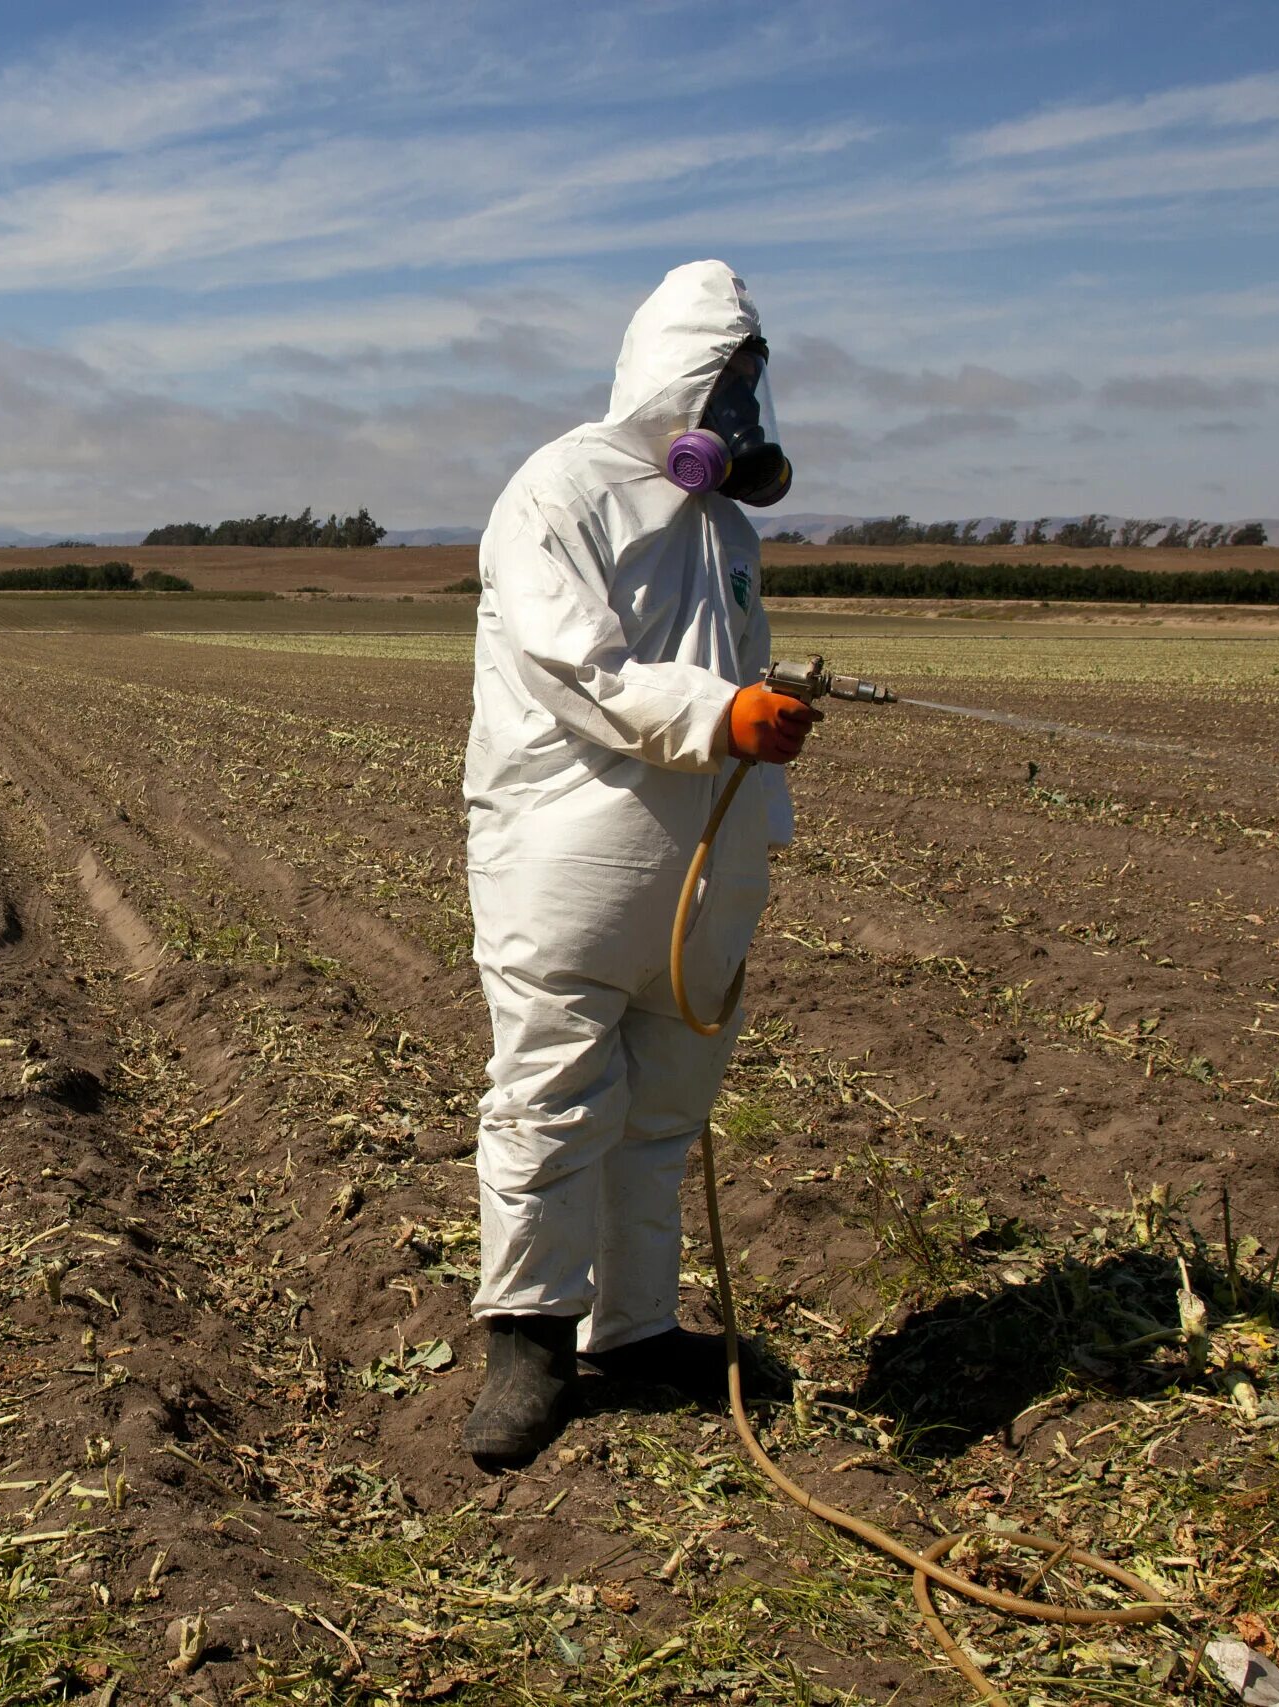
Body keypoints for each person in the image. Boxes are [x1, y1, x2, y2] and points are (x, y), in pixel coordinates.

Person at [460, 259, 816, 1467]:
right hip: (572, 855)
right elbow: (577, 666)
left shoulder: (723, 529)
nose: (737, 412)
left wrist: (762, 718)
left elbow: (739, 663)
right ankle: (527, 1342)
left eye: (749, 385)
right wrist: (721, 716)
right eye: (723, 381)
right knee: (552, 1098)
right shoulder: (556, 490)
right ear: (671, 373)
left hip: (709, 860)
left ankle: (637, 1328)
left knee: (662, 1114)